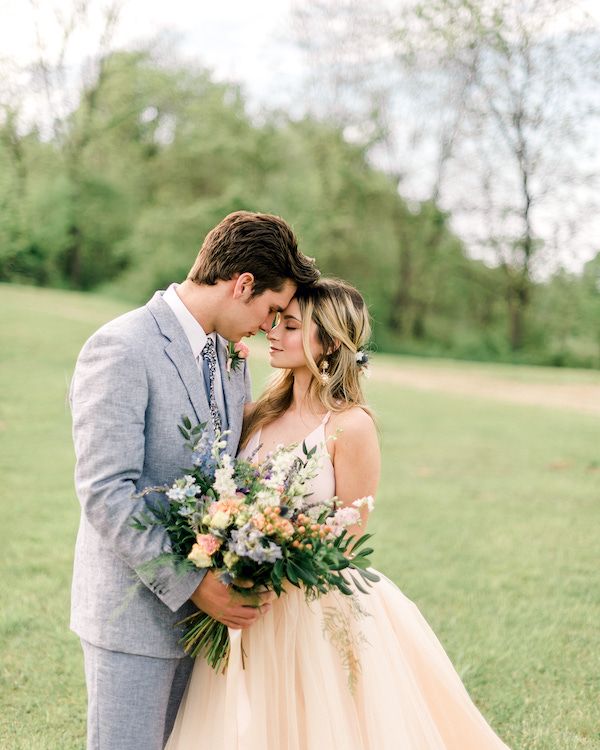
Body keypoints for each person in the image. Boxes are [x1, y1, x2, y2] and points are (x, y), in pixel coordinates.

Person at [165, 277, 512, 750]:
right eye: (275, 321)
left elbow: (348, 537)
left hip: (312, 611)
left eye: (290, 326)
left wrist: (273, 569)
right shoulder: (257, 413)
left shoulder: (351, 427)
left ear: (327, 343)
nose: (273, 332)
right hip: (245, 607)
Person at [69, 210, 320, 750]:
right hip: (131, 616)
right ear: (243, 284)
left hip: (200, 628)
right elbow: (106, 490)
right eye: (272, 310)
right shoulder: (122, 347)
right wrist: (193, 584)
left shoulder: (230, 357)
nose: (270, 326)